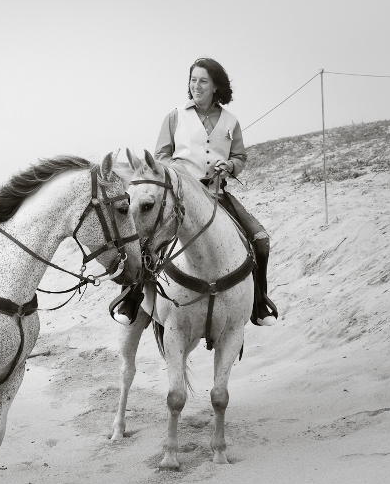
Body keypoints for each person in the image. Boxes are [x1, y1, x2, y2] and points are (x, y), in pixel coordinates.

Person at [116, 57, 277, 327]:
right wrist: (178, 175)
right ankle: (131, 297)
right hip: (180, 197)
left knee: (260, 240)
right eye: (193, 80)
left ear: (216, 86)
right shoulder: (175, 117)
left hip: (216, 195)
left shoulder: (230, 121)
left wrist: (230, 165)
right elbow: (160, 157)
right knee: (145, 235)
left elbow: (240, 157)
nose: (196, 86)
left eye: (203, 81)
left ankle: (259, 302)